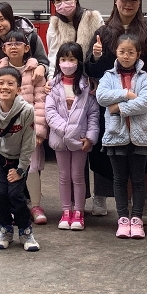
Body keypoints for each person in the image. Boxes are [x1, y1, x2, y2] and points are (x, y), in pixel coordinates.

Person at [84, 0, 147, 221]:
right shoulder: (103, 32)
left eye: (133, 0)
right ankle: (126, 208)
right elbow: (90, 70)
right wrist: (96, 57)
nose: (128, 4)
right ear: (115, 1)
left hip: (145, 103)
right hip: (111, 104)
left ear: (140, 3)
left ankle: (144, 203)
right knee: (116, 155)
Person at [0, 29, 49, 223]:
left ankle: (36, 206)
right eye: (9, 44)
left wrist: (39, 130)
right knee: (9, 172)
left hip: (29, 128)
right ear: (4, 48)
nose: (13, 47)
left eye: (18, 43)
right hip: (6, 132)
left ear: (26, 48)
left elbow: (40, 101)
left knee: (31, 167)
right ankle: (13, 207)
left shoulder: (35, 70)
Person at [96, 34, 147, 240]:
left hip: (140, 137)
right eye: (122, 51)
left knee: (138, 180)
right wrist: (126, 94)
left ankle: (137, 219)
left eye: (131, 52)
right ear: (116, 52)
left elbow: (146, 103)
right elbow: (101, 97)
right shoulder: (108, 76)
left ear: (138, 54)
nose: (126, 56)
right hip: (116, 135)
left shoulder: (144, 77)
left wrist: (118, 108)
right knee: (119, 179)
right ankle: (123, 219)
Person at [45, 41, 100, 231]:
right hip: (60, 139)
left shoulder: (87, 86)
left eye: (71, 59)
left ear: (79, 62)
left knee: (78, 176)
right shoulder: (53, 85)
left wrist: (90, 138)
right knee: (63, 176)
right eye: (63, 59)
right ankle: (66, 211)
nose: (67, 63)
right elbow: (50, 112)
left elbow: (93, 114)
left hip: (80, 141)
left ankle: (78, 212)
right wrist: (67, 131)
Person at [0, 67, 40, 252]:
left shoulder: (27, 110)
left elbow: (29, 143)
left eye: (10, 83)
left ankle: (25, 231)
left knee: (15, 195)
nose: (5, 87)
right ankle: (5, 229)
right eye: (1, 83)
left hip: (19, 159)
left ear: (19, 89)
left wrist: (20, 170)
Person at [45, 0, 104, 74]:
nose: (63, 3)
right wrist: (51, 78)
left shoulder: (94, 18)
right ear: (54, 4)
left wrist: (97, 55)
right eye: (58, 0)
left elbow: (103, 52)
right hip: (65, 78)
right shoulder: (54, 24)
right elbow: (53, 56)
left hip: (91, 76)